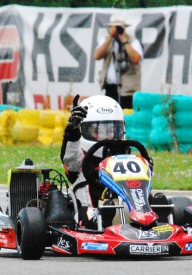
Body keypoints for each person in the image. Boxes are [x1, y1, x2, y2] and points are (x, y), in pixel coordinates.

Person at [60, 94, 129, 229]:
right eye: (99, 131)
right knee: (97, 214)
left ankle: (157, 219)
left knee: (157, 202)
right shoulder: (81, 160)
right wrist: (72, 131)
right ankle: (107, 218)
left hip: (127, 211)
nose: (107, 136)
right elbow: (70, 159)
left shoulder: (126, 157)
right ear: (85, 130)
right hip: (92, 214)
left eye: (112, 130)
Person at [94, 13, 143, 110]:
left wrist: (124, 40)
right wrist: (110, 38)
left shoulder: (133, 41)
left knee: (126, 116)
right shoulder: (106, 40)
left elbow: (136, 58)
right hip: (110, 88)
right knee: (110, 116)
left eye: (119, 27)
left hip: (128, 89)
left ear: (124, 28)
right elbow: (97, 56)